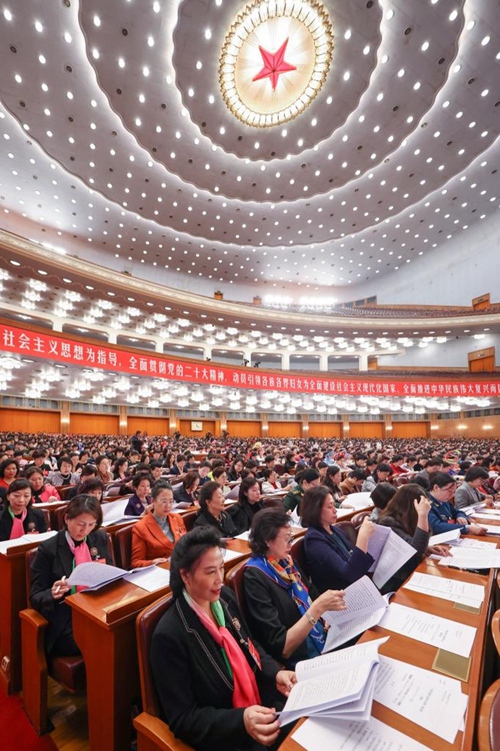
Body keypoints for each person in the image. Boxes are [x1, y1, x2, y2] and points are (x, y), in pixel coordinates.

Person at [150, 526, 295, 751]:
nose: (220, 579)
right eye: (210, 572)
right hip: (225, 732)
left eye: (221, 568)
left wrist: (275, 673)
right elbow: (183, 718)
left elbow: (250, 645)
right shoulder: (170, 635)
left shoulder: (224, 598)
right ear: (185, 575)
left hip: (258, 704)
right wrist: (241, 721)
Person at [243, 508, 346, 668]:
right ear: (267, 541)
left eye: (291, 539)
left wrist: (326, 616)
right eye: (286, 540)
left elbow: (312, 592)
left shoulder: (286, 562)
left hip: (321, 635)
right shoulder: (254, 577)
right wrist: (317, 610)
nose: (290, 545)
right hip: (300, 657)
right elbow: (282, 647)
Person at [29, 495, 112, 656]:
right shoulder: (48, 549)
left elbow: (110, 570)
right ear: (67, 518)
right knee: (103, 639)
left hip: (97, 607)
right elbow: (35, 595)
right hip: (66, 618)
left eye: (91, 524)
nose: (85, 530)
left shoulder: (99, 537)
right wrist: (52, 593)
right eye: (81, 524)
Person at [302, 485, 376, 593]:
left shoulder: (335, 530)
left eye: (334, 505)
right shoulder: (314, 539)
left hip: (357, 586)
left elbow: (352, 558)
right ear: (316, 510)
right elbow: (349, 574)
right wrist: (363, 537)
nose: (335, 510)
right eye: (329, 506)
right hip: (340, 596)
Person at [377, 484, 434, 590]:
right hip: (396, 578)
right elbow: (415, 550)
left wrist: (428, 547)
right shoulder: (388, 521)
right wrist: (422, 515)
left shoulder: (408, 516)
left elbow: (416, 542)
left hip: (411, 568)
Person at [131, 482, 187, 567]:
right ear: (153, 501)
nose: (168, 506)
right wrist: (152, 562)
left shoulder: (177, 518)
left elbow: (186, 545)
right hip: (160, 570)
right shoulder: (140, 527)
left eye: (171, 501)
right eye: (164, 501)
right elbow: (136, 563)